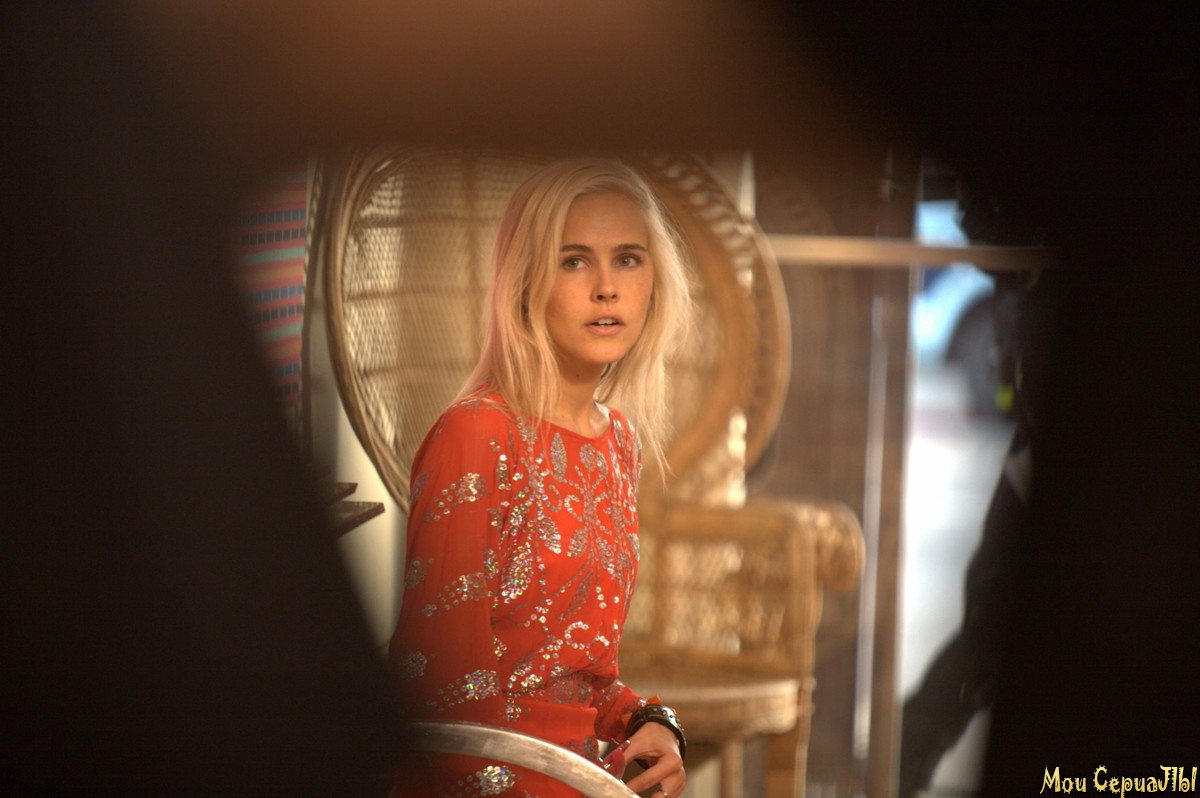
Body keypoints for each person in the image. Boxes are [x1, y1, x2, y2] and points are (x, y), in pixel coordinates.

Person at [388, 159, 692, 798]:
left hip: (582, 779)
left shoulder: (620, 442)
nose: (606, 288)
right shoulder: (474, 434)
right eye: (573, 261)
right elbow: (439, 697)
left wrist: (649, 721)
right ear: (526, 282)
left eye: (628, 259)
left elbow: (579, 676)